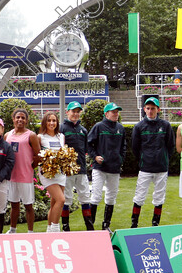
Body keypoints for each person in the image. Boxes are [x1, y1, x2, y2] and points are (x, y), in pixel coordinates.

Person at [130, 97, 174, 228]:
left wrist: (163, 158)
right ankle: (134, 223)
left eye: (153, 108)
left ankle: (155, 223)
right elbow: (135, 147)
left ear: (158, 109)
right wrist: (144, 159)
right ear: (144, 109)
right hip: (145, 168)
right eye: (148, 108)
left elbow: (170, 146)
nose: (150, 111)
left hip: (161, 168)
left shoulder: (165, 125)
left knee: (159, 197)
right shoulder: (139, 126)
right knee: (139, 196)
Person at [87, 102, 127, 231]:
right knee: (96, 196)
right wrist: (95, 156)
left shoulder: (120, 128)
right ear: (106, 113)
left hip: (114, 169)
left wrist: (121, 159)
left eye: (117, 111)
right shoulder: (99, 127)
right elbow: (88, 144)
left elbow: (123, 147)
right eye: (113, 111)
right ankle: (91, 226)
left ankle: (106, 225)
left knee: (111, 197)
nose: (116, 114)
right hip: (100, 168)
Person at [4, 108, 41, 233]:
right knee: (14, 205)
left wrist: (31, 166)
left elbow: (39, 155)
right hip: (11, 176)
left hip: (25, 177)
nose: (20, 119)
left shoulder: (31, 135)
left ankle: (30, 231)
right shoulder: (7, 135)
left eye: (23, 118)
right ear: (13, 119)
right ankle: (12, 229)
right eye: (17, 117)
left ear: (26, 121)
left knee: (28, 206)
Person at [61, 102, 93, 231]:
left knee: (85, 197)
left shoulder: (83, 130)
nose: (75, 114)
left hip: (81, 170)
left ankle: (89, 228)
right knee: (66, 199)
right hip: (66, 171)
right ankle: (65, 228)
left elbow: (85, 149)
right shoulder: (61, 128)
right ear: (67, 112)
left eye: (78, 111)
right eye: (73, 111)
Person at [39, 112, 67, 233]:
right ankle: (56, 228)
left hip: (60, 173)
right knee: (61, 200)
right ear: (45, 122)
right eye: (49, 120)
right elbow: (36, 156)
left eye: (54, 120)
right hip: (47, 174)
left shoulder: (61, 136)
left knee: (55, 203)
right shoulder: (40, 137)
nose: (51, 123)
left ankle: (49, 229)